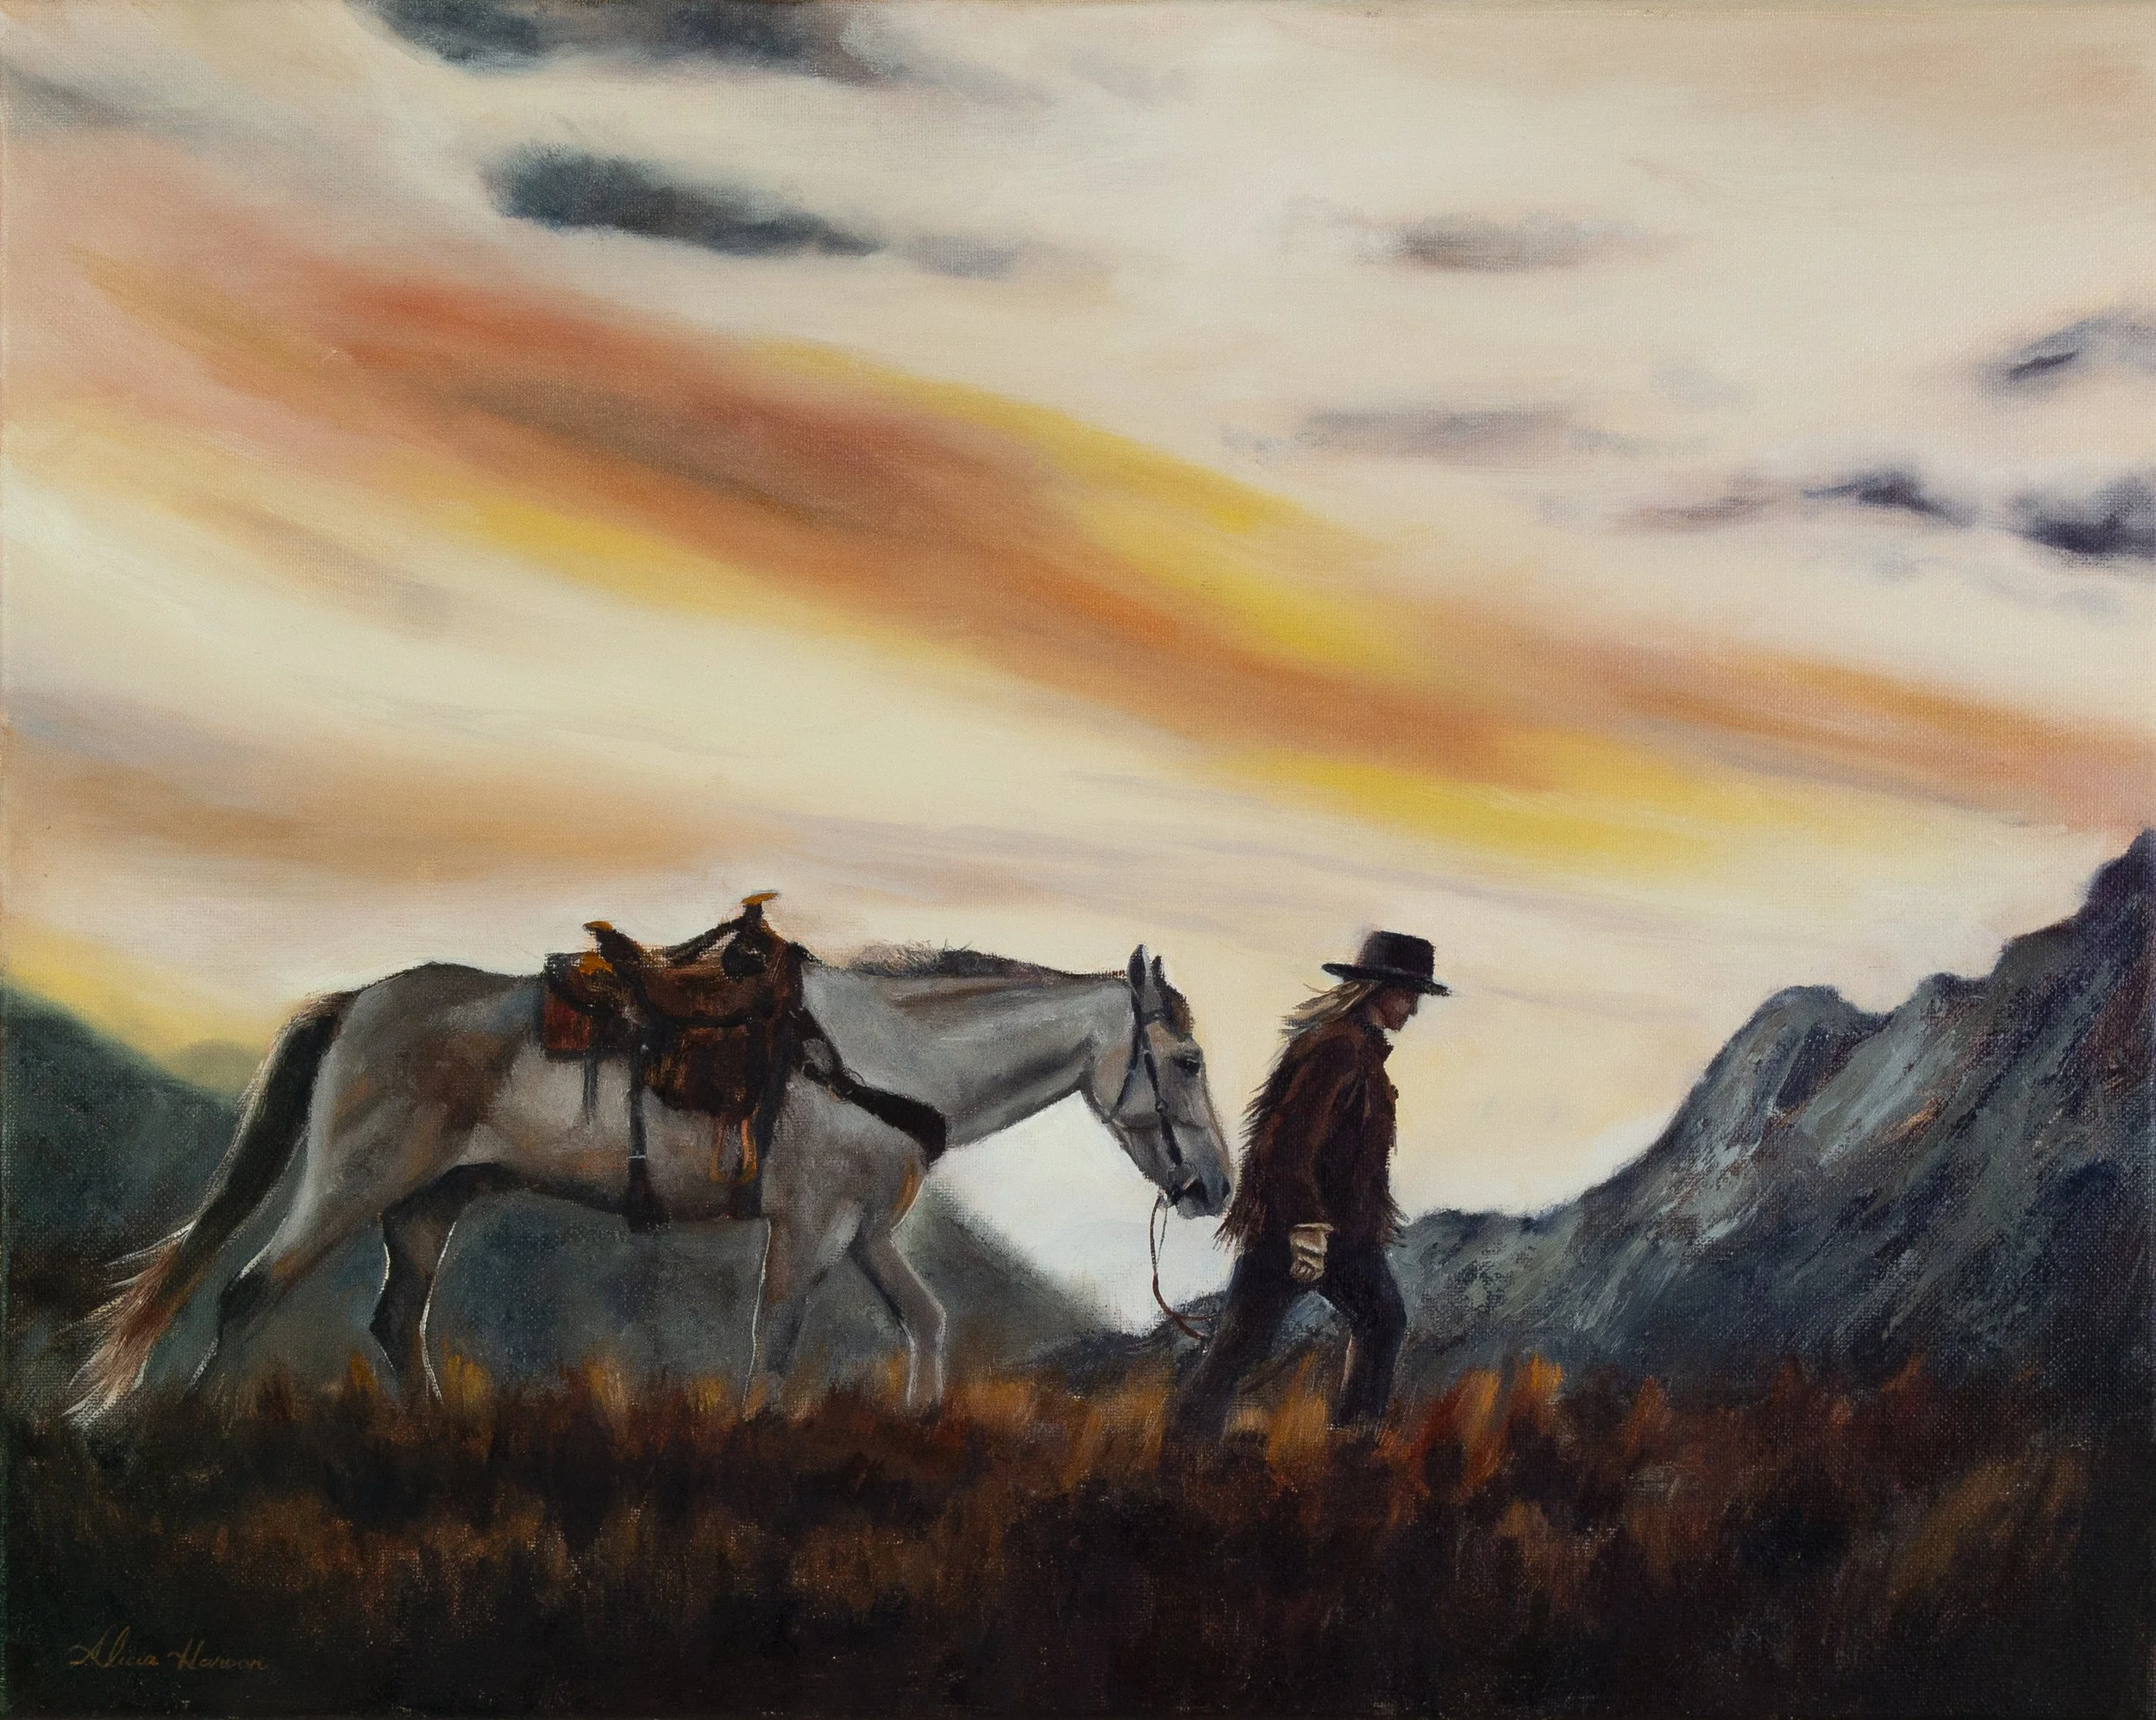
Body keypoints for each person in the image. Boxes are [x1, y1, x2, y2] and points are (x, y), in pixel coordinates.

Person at [1165, 930, 1449, 1443]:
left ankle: (1351, 1450)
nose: (1413, 1008)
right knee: (1238, 1348)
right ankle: (1184, 1453)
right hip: (1295, 1230)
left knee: (1379, 1321)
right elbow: (1286, 1146)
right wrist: (1305, 1226)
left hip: (1343, 1236)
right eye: (1409, 994)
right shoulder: (1337, 1050)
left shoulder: (1359, 1052)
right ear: (1378, 991)